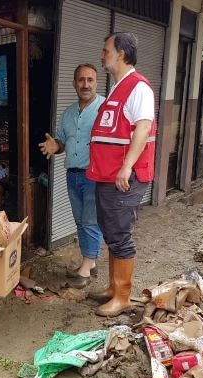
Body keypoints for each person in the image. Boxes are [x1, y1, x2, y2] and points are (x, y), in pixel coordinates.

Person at [86, 32, 156, 317]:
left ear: (122, 54)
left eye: (106, 51)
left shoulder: (139, 87)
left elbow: (143, 127)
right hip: (107, 176)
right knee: (111, 230)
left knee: (120, 234)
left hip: (124, 176)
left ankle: (123, 296)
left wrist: (127, 166)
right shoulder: (118, 87)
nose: (102, 55)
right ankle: (114, 288)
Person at [39, 64, 105, 288]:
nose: (85, 85)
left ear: (96, 82)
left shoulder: (105, 108)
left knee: (90, 221)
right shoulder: (68, 113)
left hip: (95, 176)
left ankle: (86, 269)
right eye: (81, 80)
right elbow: (62, 142)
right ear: (74, 83)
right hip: (73, 175)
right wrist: (53, 145)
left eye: (90, 80)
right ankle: (91, 263)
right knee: (80, 221)